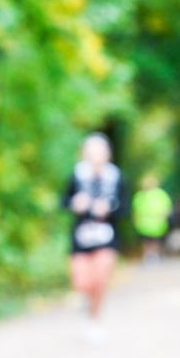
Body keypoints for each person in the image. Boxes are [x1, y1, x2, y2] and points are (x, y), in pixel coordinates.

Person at [62, 132, 126, 341]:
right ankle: (88, 304)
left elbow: (125, 209)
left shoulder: (116, 177)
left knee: (100, 279)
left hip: (106, 235)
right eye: (92, 151)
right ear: (84, 154)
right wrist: (75, 203)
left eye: (100, 150)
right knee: (82, 282)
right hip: (81, 237)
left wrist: (109, 208)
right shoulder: (77, 175)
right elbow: (63, 201)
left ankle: (95, 320)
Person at [131, 174, 173, 264]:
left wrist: (163, 217)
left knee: (155, 241)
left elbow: (167, 208)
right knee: (146, 241)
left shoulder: (161, 194)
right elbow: (135, 209)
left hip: (157, 224)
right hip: (144, 224)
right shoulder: (140, 195)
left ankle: (154, 256)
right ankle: (148, 256)